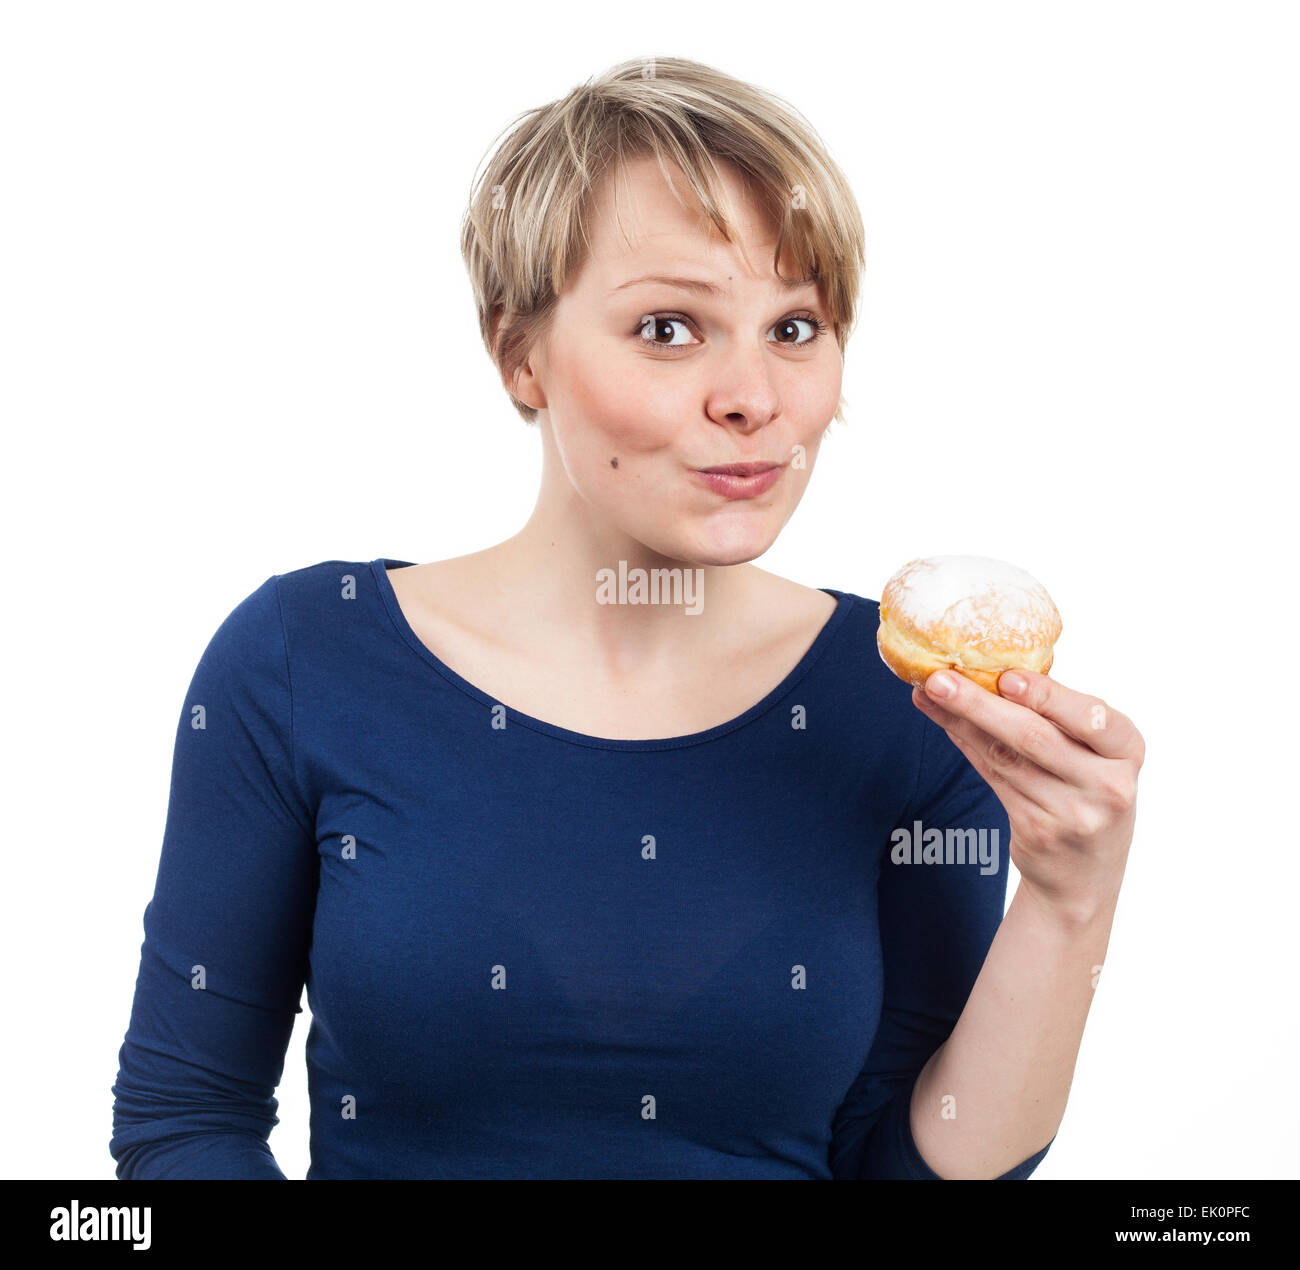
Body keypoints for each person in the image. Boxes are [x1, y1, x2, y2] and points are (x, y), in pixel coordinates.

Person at [110, 55, 1142, 1180]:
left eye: (794, 328)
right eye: (668, 327)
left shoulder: (902, 706)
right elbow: (185, 1124)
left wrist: (1065, 904)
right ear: (520, 351)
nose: (753, 398)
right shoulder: (306, 657)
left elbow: (900, 1169)